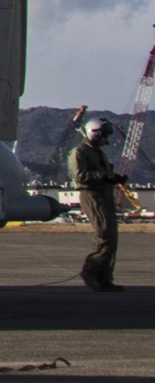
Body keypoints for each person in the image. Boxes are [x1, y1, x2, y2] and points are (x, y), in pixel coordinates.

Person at [69, 118, 124, 291]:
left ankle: (105, 277)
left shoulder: (97, 152)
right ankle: (90, 272)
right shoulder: (80, 152)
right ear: (95, 134)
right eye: (104, 137)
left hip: (104, 194)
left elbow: (102, 172)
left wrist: (114, 178)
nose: (106, 141)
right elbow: (81, 176)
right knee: (104, 233)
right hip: (92, 195)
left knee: (112, 237)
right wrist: (104, 176)